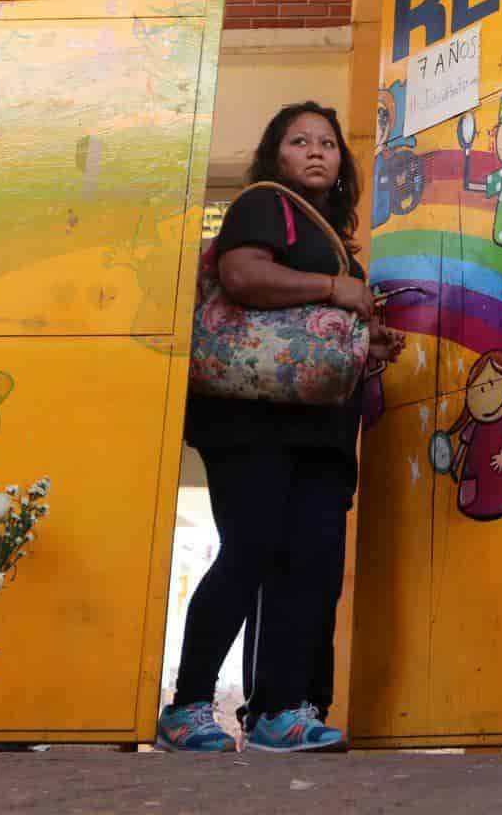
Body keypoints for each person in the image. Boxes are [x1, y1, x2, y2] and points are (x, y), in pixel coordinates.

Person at [157, 102, 407, 754]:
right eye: (299, 141)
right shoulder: (264, 206)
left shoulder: (335, 240)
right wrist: (335, 288)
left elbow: (313, 335)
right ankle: (186, 706)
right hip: (250, 423)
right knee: (251, 551)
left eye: (327, 142)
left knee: (313, 566)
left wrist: (365, 345)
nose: (316, 151)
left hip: (321, 429)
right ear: (277, 155)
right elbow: (241, 277)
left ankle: (279, 711)